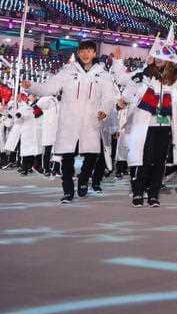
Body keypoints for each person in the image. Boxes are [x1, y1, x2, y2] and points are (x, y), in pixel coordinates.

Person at [22, 40, 117, 204]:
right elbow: (49, 88)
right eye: (82, 51)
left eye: (89, 51)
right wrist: (31, 86)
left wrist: (104, 110)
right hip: (69, 121)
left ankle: (83, 180)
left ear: (94, 53)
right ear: (78, 53)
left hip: (91, 121)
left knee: (92, 155)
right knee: (67, 157)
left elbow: (109, 97)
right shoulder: (67, 71)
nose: (86, 54)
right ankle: (67, 191)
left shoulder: (102, 74)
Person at [117, 38, 177, 207]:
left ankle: (153, 194)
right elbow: (128, 93)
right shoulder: (145, 76)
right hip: (145, 126)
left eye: (162, 55)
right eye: (156, 55)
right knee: (144, 160)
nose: (158, 58)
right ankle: (138, 192)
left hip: (165, 127)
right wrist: (135, 84)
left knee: (159, 162)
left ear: (169, 59)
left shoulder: (176, 81)